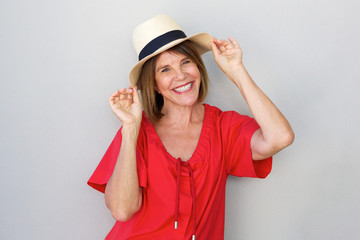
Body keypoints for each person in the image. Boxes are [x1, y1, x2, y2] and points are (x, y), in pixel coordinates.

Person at [88, 14, 294, 240]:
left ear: (198, 65)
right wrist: (129, 129)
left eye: (186, 62)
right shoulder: (138, 131)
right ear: (154, 85)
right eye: (165, 70)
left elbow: (280, 137)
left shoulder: (223, 127)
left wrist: (236, 72)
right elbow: (121, 210)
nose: (181, 75)